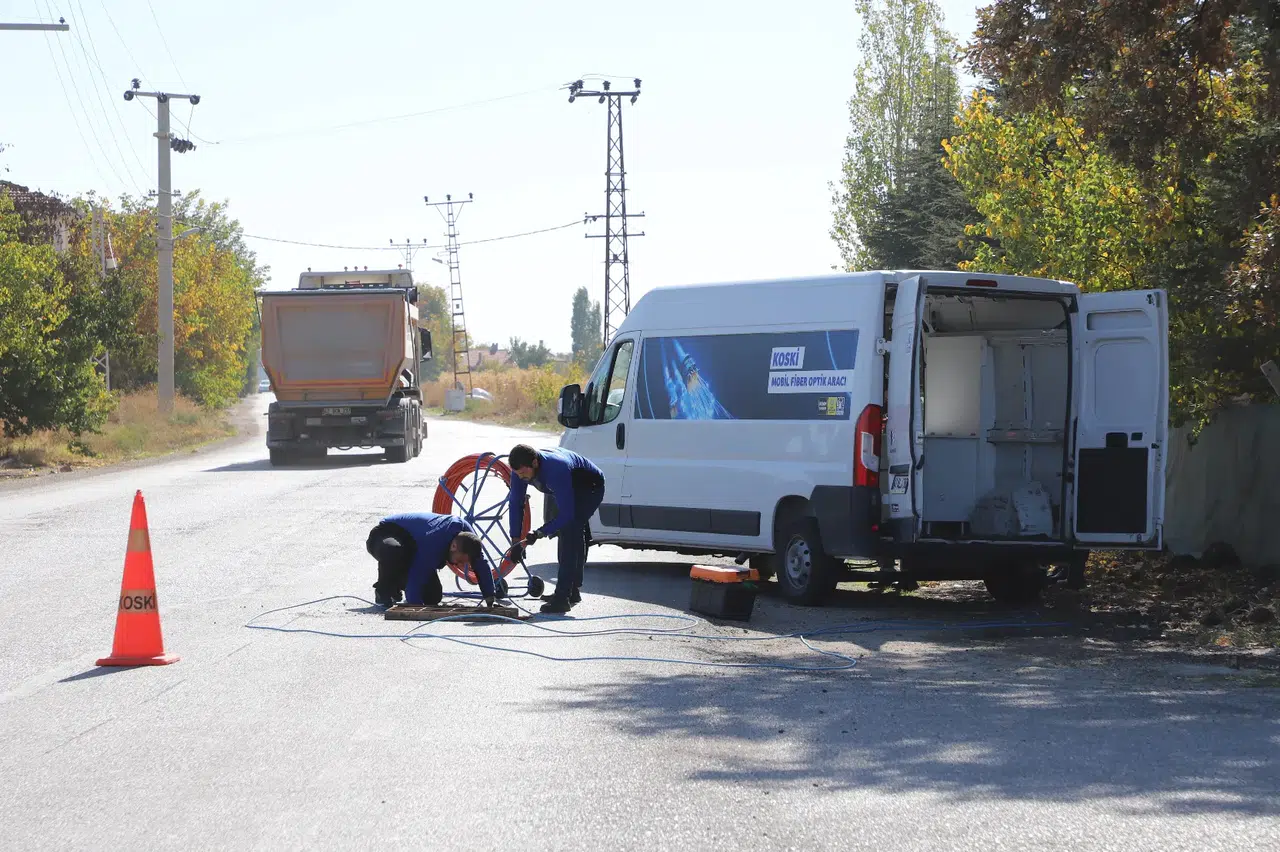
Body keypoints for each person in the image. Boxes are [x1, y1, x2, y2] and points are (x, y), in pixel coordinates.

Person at [505, 444, 606, 614]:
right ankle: (571, 591)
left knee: (570, 530)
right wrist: (515, 541)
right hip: (568, 485)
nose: (521, 478)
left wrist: (539, 533)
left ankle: (562, 599)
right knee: (569, 532)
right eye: (517, 474)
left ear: (535, 463)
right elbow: (516, 503)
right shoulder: (520, 471)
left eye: (523, 473)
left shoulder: (555, 469)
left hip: (590, 487)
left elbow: (566, 515)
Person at [365, 512, 498, 607]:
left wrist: (490, 598)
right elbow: (416, 578)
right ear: (453, 546)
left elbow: (480, 564)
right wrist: (415, 607)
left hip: (411, 546)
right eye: (460, 561)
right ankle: (384, 590)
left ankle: (396, 585)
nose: (461, 565)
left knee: (432, 597)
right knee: (393, 551)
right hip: (384, 534)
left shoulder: (468, 538)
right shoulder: (434, 544)